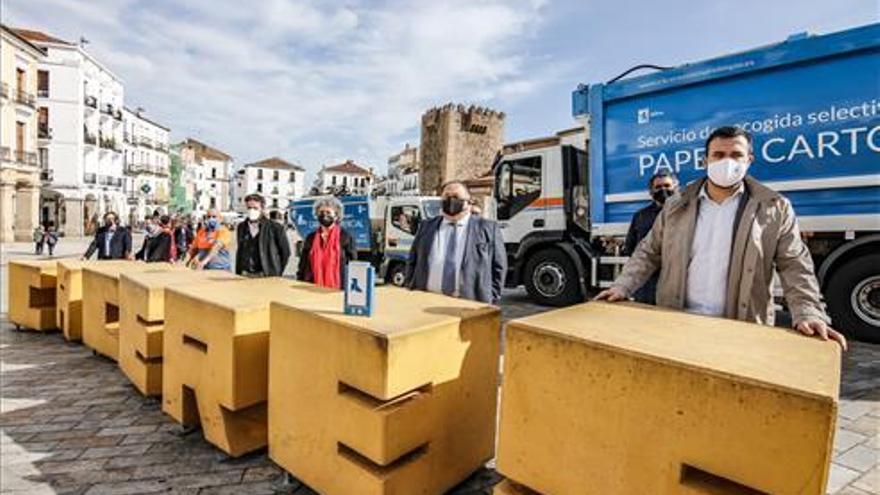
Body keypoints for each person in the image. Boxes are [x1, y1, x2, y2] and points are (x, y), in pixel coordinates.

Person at [595, 126, 846, 350]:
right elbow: (648, 252)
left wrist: (808, 311)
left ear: (749, 160)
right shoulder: (675, 206)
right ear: (705, 160)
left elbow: (794, 265)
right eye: (718, 155)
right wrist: (622, 286)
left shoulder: (774, 208)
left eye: (736, 155)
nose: (727, 162)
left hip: (740, 328)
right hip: (676, 321)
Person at [405, 181, 507, 304]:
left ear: (469, 202)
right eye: (447, 197)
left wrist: (492, 297)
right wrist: (410, 286)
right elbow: (412, 260)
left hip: (470, 304)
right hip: (426, 299)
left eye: (456, 197)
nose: (451, 201)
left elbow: (499, 267)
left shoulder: (488, 229)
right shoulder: (426, 227)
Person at [621, 171, 679, 304]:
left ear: (676, 188)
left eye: (667, 185)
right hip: (647, 286)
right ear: (651, 192)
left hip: (675, 283)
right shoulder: (640, 216)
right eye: (658, 187)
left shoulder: (685, 214)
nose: (663, 190)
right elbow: (631, 249)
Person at [297, 197, 357, 289]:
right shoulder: (311, 238)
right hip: (312, 286)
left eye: (328, 212)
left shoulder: (346, 237)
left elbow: (352, 264)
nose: (324, 215)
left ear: (336, 216)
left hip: (338, 287)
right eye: (321, 212)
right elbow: (303, 263)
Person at [235, 193, 291, 277]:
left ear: (262, 208)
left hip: (265, 274)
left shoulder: (275, 228)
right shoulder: (241, 227)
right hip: (245, 273)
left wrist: (276, 270)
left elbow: (285, 252)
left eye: (255, 208)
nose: (251, 211)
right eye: (249, 208)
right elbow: (240, 250)